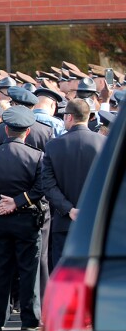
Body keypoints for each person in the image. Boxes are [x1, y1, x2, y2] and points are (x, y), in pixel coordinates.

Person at [0, 106, 45, 331]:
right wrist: (19, 201)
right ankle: (29, 319)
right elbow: (40, 188)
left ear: (6, 129)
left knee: (0, 269)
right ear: (27, 132)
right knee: (28, 270)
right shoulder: (37, 156)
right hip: (27, 218)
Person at [42, 98, 106, 269]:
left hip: (64, 222)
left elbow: (47, 185)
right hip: (95, 221)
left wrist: (69, 209)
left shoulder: (53, 146)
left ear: (69, 117)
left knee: (63, 276)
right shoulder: (104, 144)